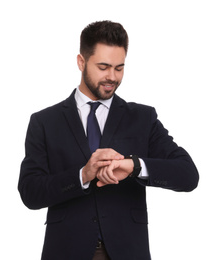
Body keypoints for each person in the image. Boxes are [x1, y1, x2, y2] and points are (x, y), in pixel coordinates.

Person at [18, 21, 199, 260]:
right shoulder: (45, 121)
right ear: (81, 62)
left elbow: (188, 175)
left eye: (119, 68)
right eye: (103, 67)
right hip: (65, 250)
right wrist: (83, 175)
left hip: (127, 251)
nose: (112, 77)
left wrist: (135, 166)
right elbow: (30, 192)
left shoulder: (143, 118)